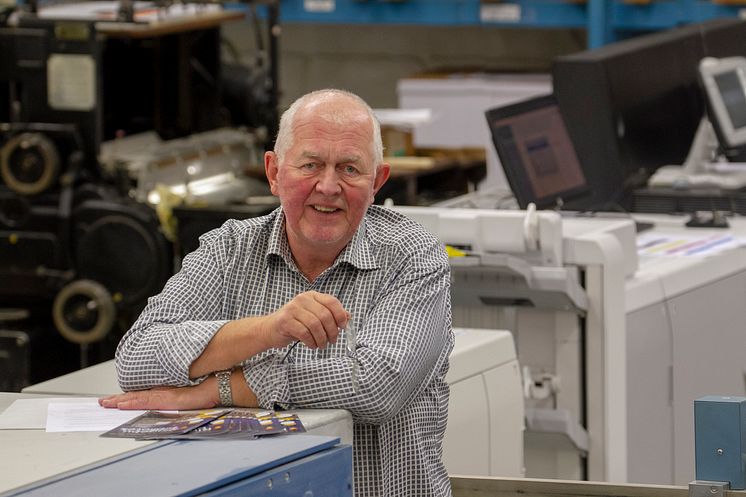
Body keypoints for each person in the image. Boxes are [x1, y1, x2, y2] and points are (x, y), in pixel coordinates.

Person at [100, 89, 454, 497]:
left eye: (350, 169)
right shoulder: (228, 250)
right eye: (311, 164)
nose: (328, 185)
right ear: (273, 172)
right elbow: (135, 359)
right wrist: (269, 330)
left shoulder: (414, 257)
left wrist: (220, 387)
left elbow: (376, 385)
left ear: (377, 182)